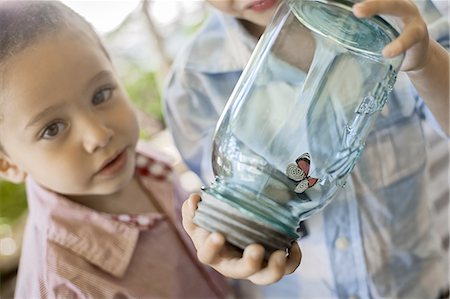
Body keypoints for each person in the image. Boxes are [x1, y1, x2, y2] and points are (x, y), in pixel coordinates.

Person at [0, 1, 300, 297]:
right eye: (52, 129)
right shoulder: (64, 285)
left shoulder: (145, 163)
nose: (98, 135)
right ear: (8, 165)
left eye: (101, 94)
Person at [164, 0, 449, 298]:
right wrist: (225, 244)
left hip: (414, 286)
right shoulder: (193, 84)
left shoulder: (399, 11)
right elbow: (233, 202)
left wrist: (427, 60)